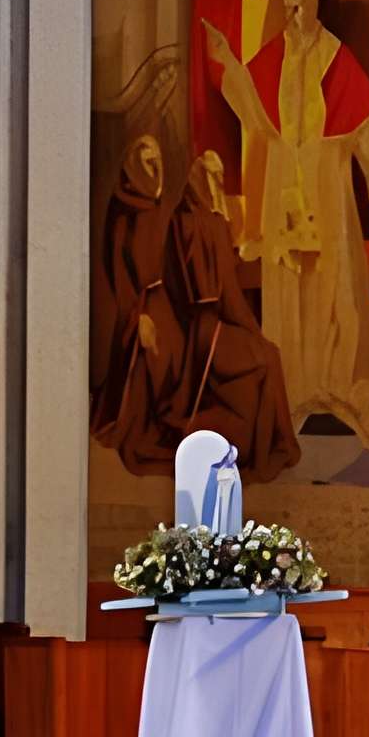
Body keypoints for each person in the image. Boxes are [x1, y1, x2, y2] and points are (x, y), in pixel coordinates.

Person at [204, 0, 369, 444]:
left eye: (300, 2)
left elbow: (361, 131)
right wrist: (226, 61)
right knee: (291, 291)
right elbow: (256, 115)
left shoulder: (333, 56)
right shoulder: (276, 56)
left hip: (327, 188)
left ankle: (342, 385)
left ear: (316, 4)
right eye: (288, 3)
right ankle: (295, 388)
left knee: (336, 288)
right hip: (286, 186)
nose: (292, 12)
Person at [92, 133, 302, 481]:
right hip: (161, 316)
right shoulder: (148, 215)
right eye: (149, 163)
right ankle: (249, 445)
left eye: (159, 162)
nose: (156, 169)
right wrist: (137, 316)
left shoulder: (175, 212)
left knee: (260, 359)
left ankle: (262, 444)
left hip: (179, 316)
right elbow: (122, 272)